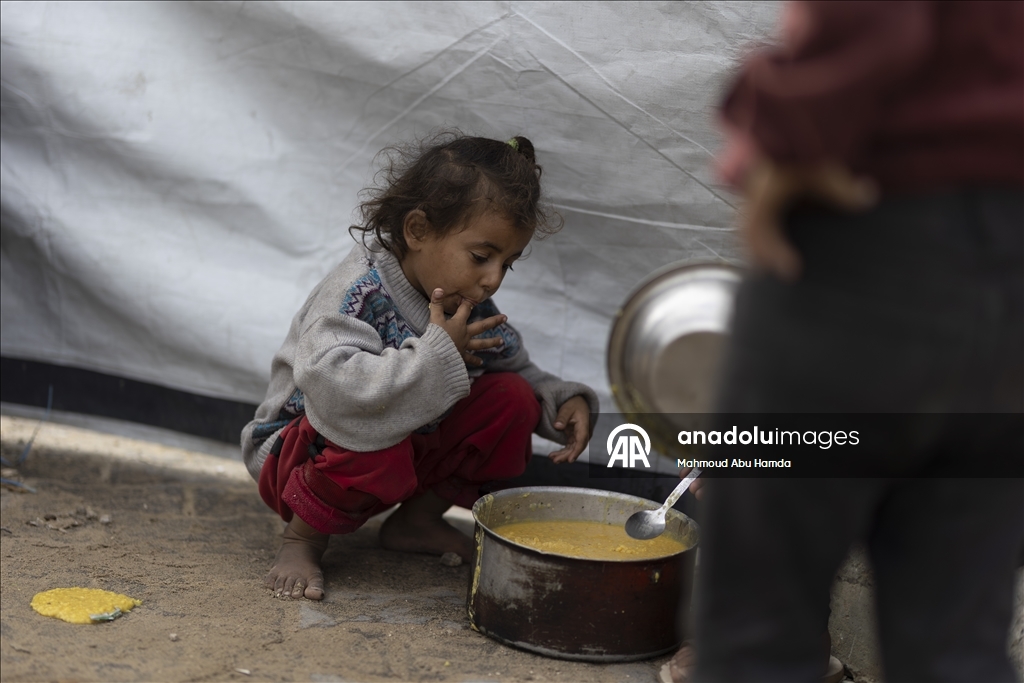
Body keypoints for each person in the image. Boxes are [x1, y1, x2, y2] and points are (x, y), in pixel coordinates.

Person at [670, 2, 1023, 682]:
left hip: (873, 237)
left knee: (758, 641)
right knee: (956, 648)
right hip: (1010, 277)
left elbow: (879, 24)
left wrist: (792, 129)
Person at [241, 133, 597, 601]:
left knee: (511, 397)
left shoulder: (465, 300)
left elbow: (515, 367)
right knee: (373, 422)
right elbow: (334, 390)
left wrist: (559, 398)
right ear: (417, 230)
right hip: (297, 453)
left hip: (396, 446)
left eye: (506, 264)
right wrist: (436, 355)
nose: (492, 279)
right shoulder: (357, 293)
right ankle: (302, 540)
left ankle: (418, 521)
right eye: (480, 257)